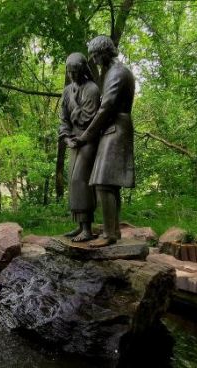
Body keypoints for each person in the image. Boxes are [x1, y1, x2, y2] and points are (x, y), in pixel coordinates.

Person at [69, 36, 135, 248]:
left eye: (96, 55)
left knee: (103, 183)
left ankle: (109, 234)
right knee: (109, 184)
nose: (94, 60)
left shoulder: (116, 72)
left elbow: (106, 107)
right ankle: (113, 231)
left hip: (115, 129)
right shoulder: (115, 71)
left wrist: (86, 135)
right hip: (113, 128)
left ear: (105, 52)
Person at [58, 53, 101, 242]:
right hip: (74, 141)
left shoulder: (92, 89)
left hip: (88, 140)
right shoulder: (67, 90)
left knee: (81, 181)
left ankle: (88, 229)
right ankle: (80, 225)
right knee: (73, 183)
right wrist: (66, 138)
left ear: (83, 69)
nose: (72, 75)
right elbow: (63, 119)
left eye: (75, 71)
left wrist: (74, 101)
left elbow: (86, 118)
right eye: (69, 72)